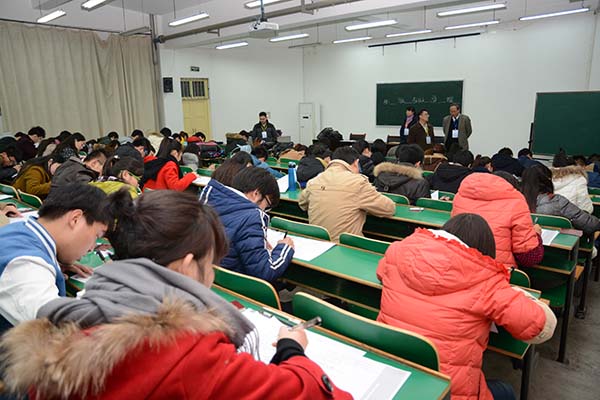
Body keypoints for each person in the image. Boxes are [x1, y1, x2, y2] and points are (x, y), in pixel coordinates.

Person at [0, 189, 351, 400]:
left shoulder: (71, 322)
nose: (211, 276)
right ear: (186, 267)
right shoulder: (185, 353)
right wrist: (291, 349)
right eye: (210, 265)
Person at [377, 213, 556, 400]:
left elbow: (381, 272)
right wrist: (516, 293)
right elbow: (542, 326)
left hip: (392, 375)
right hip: (449, 392)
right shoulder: (487, 282)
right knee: (506, 390)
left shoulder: (397, 252)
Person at [0, 183, 109, 331]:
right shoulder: (25, 264)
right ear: (76, 218)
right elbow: (56, 328)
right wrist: (106, 289)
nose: (91, 247)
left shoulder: (20, 229)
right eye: (97, 235)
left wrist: (53, 262)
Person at [201, 167, 295, 282]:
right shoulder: (252, 217)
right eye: (267, 206)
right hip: (234, 284)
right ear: (256, 194)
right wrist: (285, 247)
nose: (264, 210)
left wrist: (257, 242)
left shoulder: (208, 198)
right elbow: (265, 272)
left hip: (205, 279)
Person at [298, 147, 395, 242]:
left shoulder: (315, 180)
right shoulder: (358, 183)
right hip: (345, 245)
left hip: (316, 243)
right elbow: (389, 208)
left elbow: (302, 203)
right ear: (356, 163)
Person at [452, 172, 543, 268]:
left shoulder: (461, 197)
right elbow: (529, 258)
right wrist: (536, 235)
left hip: (459, 266)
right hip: (498, 271)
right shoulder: (516, 203)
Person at [522, 164, 600, 236]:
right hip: (560, 244)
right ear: (548, 180)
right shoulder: (557, 201)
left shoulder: (517, 201)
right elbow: (590, 224)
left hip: (527, 242)